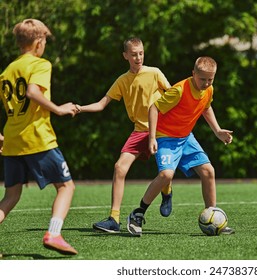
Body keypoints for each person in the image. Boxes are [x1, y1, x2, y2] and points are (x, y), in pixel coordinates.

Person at [127, 56, 235, 237]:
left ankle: (213, 216)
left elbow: (206, 107)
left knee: (209, 171)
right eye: (202, 79)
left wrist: (217, 130)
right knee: (166, 174)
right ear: (193, 74)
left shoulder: (208, 90)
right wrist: (152, 137)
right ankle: (138, 214)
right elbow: (154, 108)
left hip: (185, 138)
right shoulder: (179, 90)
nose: (206, 83)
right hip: (166, 138)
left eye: (211, 79)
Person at [75, 37, 173, 233]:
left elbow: (172, 97)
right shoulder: (122, 80)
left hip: (161, 130)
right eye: (134, 54)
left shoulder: (155, 73)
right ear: (125, 56)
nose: (138, 57)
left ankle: (166, 191)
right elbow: (102, 104)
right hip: (139, 131)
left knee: (165, 170)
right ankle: (114, 219)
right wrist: (80, 108)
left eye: (141, 53)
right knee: (119, 167)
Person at [0, 19, 78, 255]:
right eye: (44, 40)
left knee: (11, 195)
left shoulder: (7, 71)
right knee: (66, 186)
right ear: (38, 42)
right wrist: (58, 109)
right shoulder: (41, 64)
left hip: (13, 140)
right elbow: (33, 92)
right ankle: (54, 234)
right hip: (37, 137)